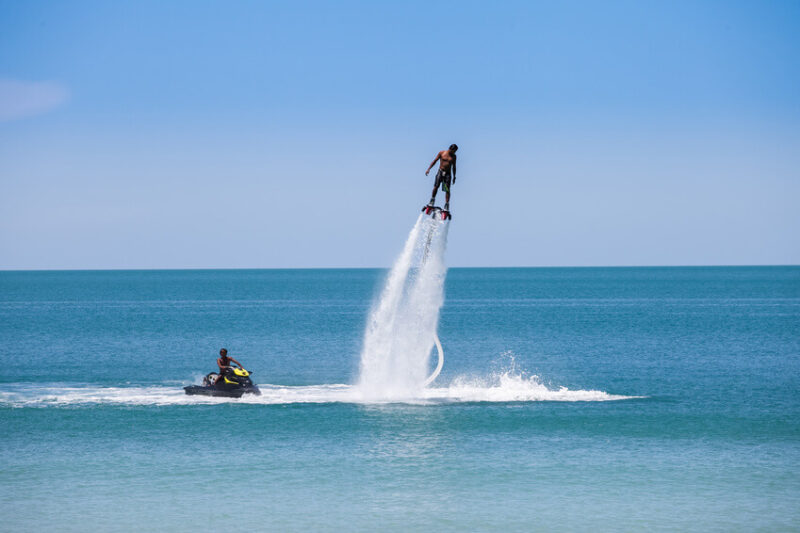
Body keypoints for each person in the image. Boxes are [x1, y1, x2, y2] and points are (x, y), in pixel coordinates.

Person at [425, 144, 458, 211]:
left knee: (447, 190)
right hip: (440, 172)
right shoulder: (442, 153)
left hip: (448, 174)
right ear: (451, 149)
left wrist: (454, 176)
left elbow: (454, 167)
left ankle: (446, 204)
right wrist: (429, 169)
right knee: (436, 186)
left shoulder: (454, 157)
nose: (454, 152)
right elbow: (435, 161)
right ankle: (432, 200)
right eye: (454, 151)